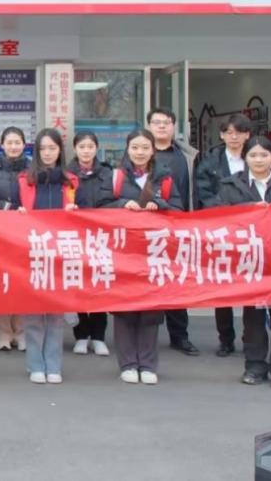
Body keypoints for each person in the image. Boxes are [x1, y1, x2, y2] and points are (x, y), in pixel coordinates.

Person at [206, 136, 271, 390]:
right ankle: (254, 366)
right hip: (249, 262)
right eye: (253, 155)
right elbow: (219, 218)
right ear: (245, 158)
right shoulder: (231, 186)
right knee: (253, 316)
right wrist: (249, 208)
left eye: (264, 155)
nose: (259, 160)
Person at [106, 129, 182, 385]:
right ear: (127, 149)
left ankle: (148, 364)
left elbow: (179, 210)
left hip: (154, 253)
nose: (140, 152)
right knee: (124, 310)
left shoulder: (165, 178)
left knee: (151, 310)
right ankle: (127, 364)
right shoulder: (115, 177)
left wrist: (161, 205)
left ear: (153, 150)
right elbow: (98, 206)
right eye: (135, 147)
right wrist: (120, 205)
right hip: (123, 252)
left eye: (145, 148)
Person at [12, 129, 78, 384]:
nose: (48, 153)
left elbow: (85, 214)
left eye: (52, 148)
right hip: (33, 252)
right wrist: (18, 213)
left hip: (61, 253)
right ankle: (35, 365)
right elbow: (11, 210)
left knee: (55, 315)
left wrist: (75, 210)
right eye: (43, 149)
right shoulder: (24, 180)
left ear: (60, 150)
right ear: (36, 152)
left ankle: (53, 365)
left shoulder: (71, 181)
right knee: (33, 314)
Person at [193, 113, 252, 357]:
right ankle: (225, 339)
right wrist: (226, 213)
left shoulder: (256, 156)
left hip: (250, 231)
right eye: (229, 132)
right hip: (221, 230)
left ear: (247, 135)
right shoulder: (210, 161)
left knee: (251, 286)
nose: (234, 137)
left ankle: (252, 337)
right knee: (223, 286)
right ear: (221, 135)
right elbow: (203, 192)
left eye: (239, 132)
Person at [146, 107, 200, 357]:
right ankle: (145, 338)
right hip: (146, 231)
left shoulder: (187, 156)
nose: (161, 126)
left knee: (177, 283)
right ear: (148, 126)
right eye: (156, 122)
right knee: (147, 282)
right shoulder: (139, 152)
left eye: (166, 122)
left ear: (174, 126)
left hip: (180, 226)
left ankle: (180, 336)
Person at [67, 131, 113, 357]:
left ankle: (98, 337)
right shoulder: (66, 174)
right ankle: (81, 336)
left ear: (97, 148)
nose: (86, 151)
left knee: (98, 285)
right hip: (74, 235)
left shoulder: (107, 173)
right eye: (82, 147)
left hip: (99, 236)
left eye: (90, 147)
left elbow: (112, 200)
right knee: (78, 285)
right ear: (75, 149)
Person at [0, 125, 30, 352]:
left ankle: (21, 332)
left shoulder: (32, 168)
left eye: (17, 143)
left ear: (24, 145)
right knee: (2, 283)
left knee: (22, 283)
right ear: (2, 145)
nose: (13, 147)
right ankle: (3, 334)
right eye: (9, 143)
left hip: (25, 233)